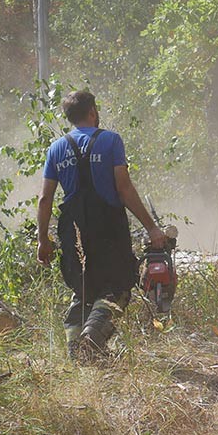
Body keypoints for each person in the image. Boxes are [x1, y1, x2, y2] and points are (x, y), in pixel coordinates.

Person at [36, 90, 169, 359]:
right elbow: (125, 189)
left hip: (72, 227)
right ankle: (92, 339)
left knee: (83, 288)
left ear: (70, 118)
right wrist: (151, 227)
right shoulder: (110, 141)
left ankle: (77, 352)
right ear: (93, 112)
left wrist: (43, 241)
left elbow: (44, 199)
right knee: (118, 286)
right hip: (108, 226)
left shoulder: (56, 148)